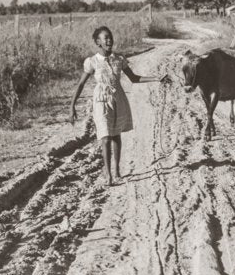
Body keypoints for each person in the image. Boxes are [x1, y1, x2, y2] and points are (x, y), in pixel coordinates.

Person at [70, 26, 166, 184]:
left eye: (110, 37)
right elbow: (81, 84)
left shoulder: (119, 59)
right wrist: (72, 105)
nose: (109, 40)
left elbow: (134, 78)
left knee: (116, 135)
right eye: (105, 38)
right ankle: (108, 175)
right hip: (101, 101)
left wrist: (156, 78)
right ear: (98, 42)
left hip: (118, 99)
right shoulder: (92, 61)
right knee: (105, 137)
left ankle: (117, 170)